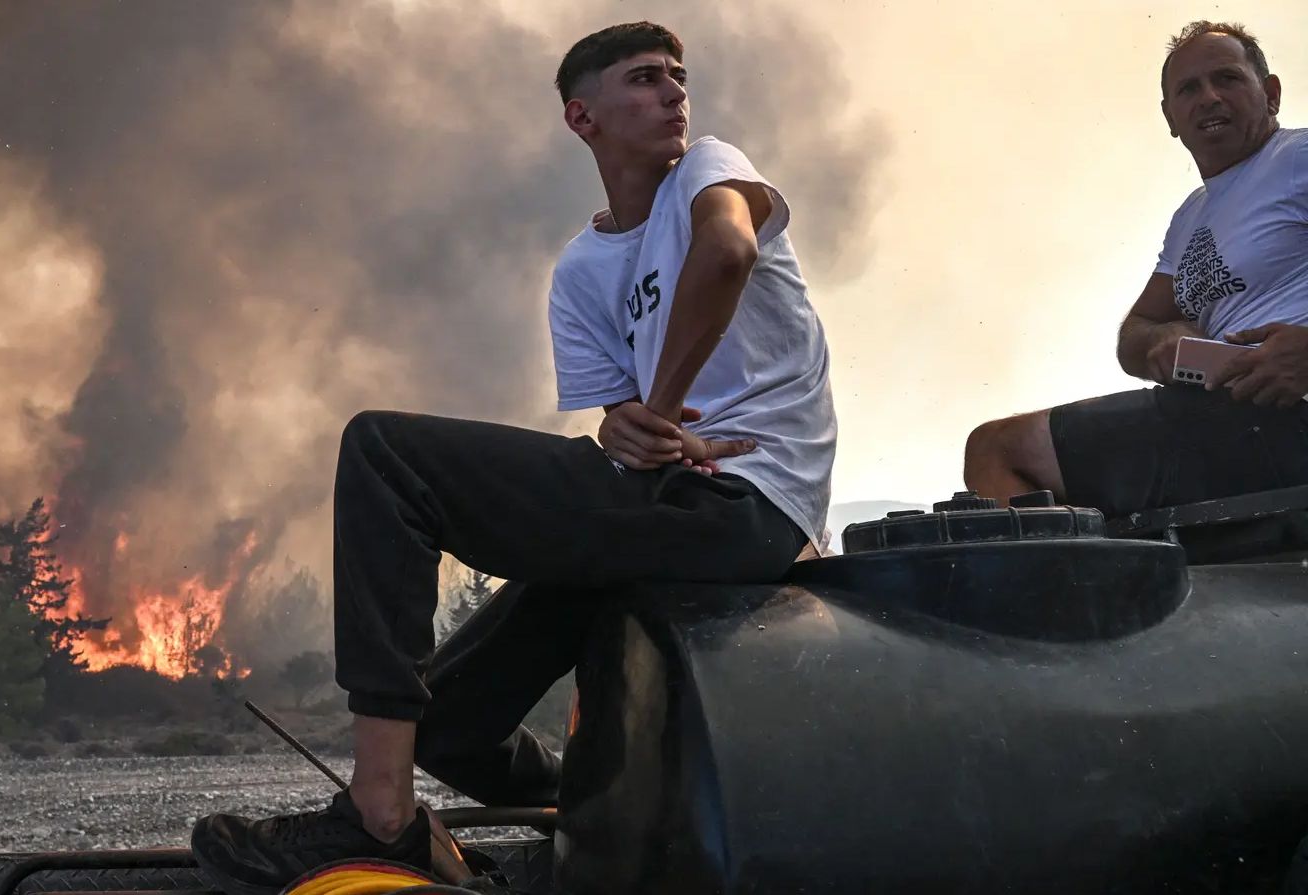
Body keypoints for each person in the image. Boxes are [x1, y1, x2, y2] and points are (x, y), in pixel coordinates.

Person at [189, 21, 835, 894]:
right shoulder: (581, 273)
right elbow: (622, 427)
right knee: (451, 720)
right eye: (644, 79)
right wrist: (626, 427)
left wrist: (653, 410)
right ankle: (601, 817)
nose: (675, 92)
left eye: (678, 77)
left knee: (384, 453)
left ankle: (379, 813)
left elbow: (727, 252)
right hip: (659, 506)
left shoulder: (710, 173)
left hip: (742, 502)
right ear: (582, 118)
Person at [964, 21, 1308, 514]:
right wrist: (1159, 344)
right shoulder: (1191, 215)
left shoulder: (1298, 158)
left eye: (1228, 79)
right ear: (1170, 116)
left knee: (999, 449)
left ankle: (1056, 590)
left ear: (1270, 93)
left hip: (1283, 423)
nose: (1208, 97)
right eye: (1188, 88)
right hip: (1219, 420)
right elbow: (1135, 334)